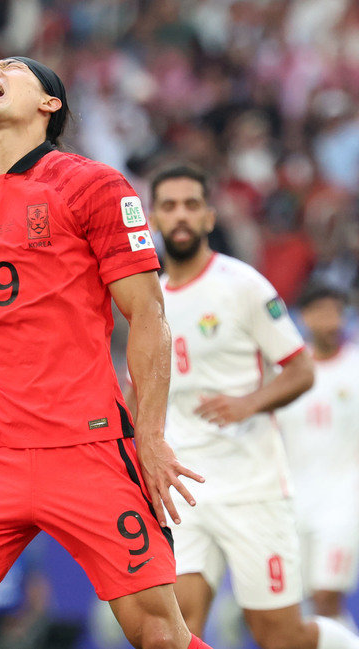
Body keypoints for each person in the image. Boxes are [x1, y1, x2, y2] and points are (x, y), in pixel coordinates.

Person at [0, 57, 214, 649]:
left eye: (12, 69)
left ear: (50, 104)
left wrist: (149, 435)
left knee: (159, 632)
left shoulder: (93, 186)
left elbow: (147, 316)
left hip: (89, 446)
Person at [126, 163, 359, 649]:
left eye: (192, 204)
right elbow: (140, 388)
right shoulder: (147, 300)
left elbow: (301, 369)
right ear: (153, 218)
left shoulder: (243, 285)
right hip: (185, 488)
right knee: (179, 628)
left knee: (278, 635)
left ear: (210, 216)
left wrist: (247, 403)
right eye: (169, 206)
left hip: (253, 488)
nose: (181, 215)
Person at [277, 283, 359, 629]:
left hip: (343, 501)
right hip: (294, 502)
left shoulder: (355, 367)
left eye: (336, 312)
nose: (330, 320)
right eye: (321, 312)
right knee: (298, 608)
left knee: (327, 597)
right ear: (305, 318)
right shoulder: (287, 375)